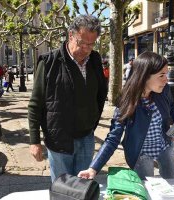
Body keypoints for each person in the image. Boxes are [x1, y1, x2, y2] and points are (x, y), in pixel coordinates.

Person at [78, 51, 174, 180]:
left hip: (165, 145)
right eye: (161, 75)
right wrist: (93, 168)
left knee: (171, 182)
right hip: (140, 153)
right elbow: (112, 138)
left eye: (166, 74)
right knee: (146, 189)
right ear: (144, 76)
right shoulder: (126, 102)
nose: (166, 80)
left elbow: (172, 108)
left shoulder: (163, 90)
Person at [28, 15, 108, 182]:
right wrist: (34, 141)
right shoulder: (49, 62)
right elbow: (36, 104)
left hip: (86, 137)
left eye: (91, 44)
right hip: (59, 139)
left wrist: (92, 122)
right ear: (71, 35)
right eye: (82, 43)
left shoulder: (95, 59)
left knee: (82, 187)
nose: (86, 49)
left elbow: (100, 95)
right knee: (62, 189)